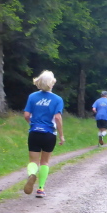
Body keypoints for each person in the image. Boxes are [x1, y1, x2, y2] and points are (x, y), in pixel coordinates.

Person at [23, 70, 65, 198]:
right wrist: (61, 135)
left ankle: (32, 174)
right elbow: (57, 118)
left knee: (33, 161)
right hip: (49, 133)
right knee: (45, 162)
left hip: (34, 132)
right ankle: (40, 188)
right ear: (52, 83)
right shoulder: (57, 99)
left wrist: (32, 124)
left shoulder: (32, 97)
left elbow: (26, 115)